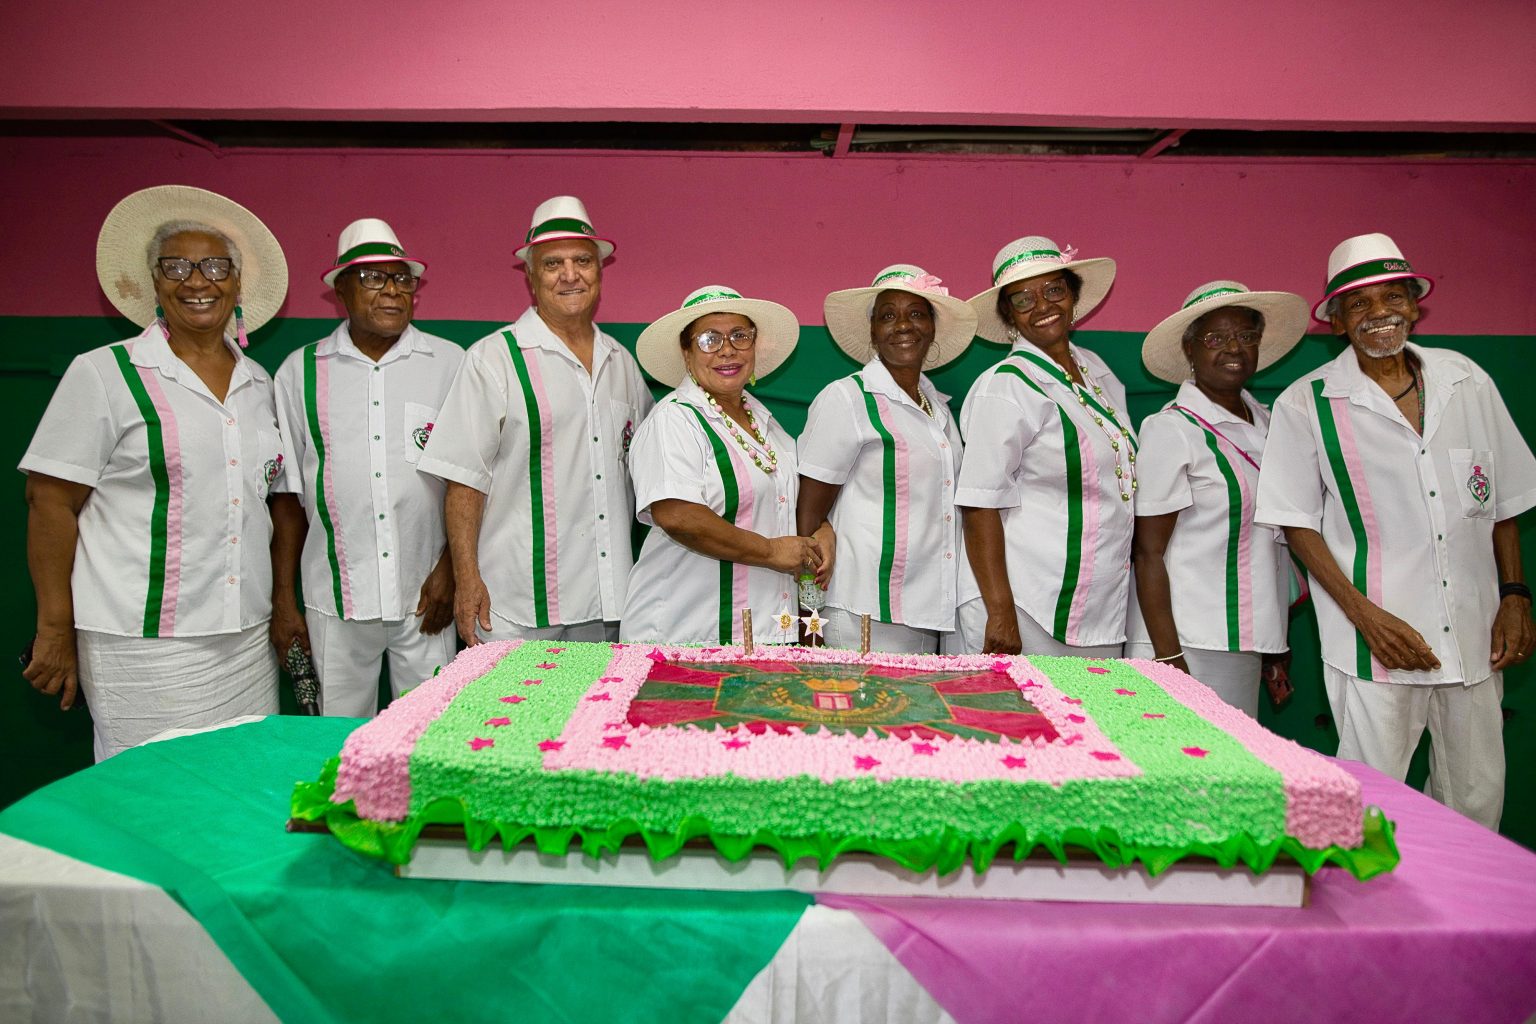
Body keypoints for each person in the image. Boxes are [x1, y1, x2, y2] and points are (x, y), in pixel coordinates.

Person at [1256, 233, 1536, 829]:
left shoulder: (1467, 381)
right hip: (1375, 643)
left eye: (1391, 297)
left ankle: (1463, 918)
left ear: (1415, 304)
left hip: (1474, 632)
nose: (1378, 314)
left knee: (1477, 798)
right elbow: (1296, 524)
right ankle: (1373, 918)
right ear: (1335, 321)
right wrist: (1365, 616)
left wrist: (1515, 595)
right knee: (1370, 804)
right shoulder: (1307, 404)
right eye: (1358, 304)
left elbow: (1504, 499)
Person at [20, 185, 289, 760]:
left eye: (216, 266)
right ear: (154, 283)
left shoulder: (259, 382)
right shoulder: (105, 373)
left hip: (244, 636)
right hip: (140, 642)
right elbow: (48, 502)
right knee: (150, 794)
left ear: (237, 285)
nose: (198, 281)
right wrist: (54, 628)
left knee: (241, 782)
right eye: (178, 267)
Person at [417, 196, 653, 644]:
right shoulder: (494, 358)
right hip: (514, 605)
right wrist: (466, 580)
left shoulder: (621, 363)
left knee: (594, 713)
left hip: (607, 601)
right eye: (552, 264)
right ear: (530, 276)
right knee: (509, 715)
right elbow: (464, 481)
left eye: (582, 260)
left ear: (600, 271)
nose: (570, 275)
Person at [269, 219, 462, 716]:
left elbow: (472, 479)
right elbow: (288, 497)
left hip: (427, 595)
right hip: (334, 596)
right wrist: (284, 601)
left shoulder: (450, 363)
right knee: (334, 740)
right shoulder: (300, 371)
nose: (393, 292)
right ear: (340, 290)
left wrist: (451, 570)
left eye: (402, 279)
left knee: (427, 733)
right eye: (373, 278)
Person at [1127, 281, 1308, 716]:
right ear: (1190, 350)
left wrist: (1272, 637)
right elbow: (1147, 552)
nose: (1234, 348)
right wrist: (1168, 658)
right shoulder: (1171, 430)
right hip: (1187, 641)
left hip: (1247, 641)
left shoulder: (1269, 422)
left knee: (1228, 778)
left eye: (1246, 336)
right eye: (1216, 338)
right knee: (1181, 774)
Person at [953, 236, 1133, 656]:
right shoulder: (1005, 386)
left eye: (1054, 290)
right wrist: (1000, 612)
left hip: (1096, 606)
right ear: (1008, 315)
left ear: (1073, 296)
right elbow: (980, 505)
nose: (1043, 305)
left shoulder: (1100, 376)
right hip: (1024, 604)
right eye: (1023, 298)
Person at [621, 286, 831, 644]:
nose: (727, 349)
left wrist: (822, 530)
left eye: (739, 336)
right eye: (708, 339)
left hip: (765, 632)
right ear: (686, 355)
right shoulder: (674, 420)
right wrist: (771, 551)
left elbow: (785, 501)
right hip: (686, 633)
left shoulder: (769, 427)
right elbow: (678, 516)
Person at [797, 265, 976, 653]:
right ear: (873, 330)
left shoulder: (940, 410)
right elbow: (807, 517)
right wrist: (808, 616)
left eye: (916, 313)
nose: (903, 326)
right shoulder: (847, 398)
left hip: (930, 612)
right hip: (863, 611)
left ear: (932, 326)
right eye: (888, 315)